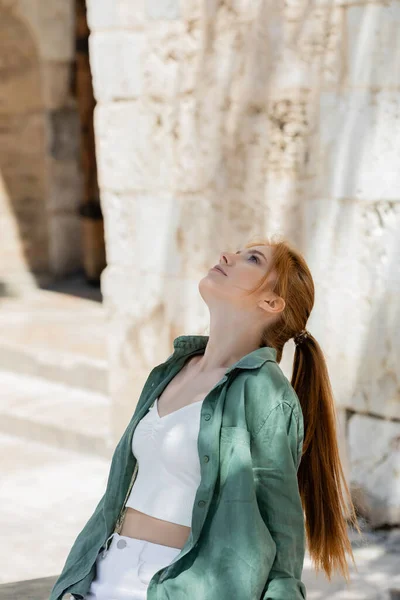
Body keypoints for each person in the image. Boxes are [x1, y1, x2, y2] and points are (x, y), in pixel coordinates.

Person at [50, 236, 359, 600]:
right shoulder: (172, 369)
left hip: (179, 585)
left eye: (253, 259)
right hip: (104, 574)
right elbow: (117, 494)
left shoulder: (265, 394)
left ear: (271, 302)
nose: (227, 254)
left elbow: (282, 532)